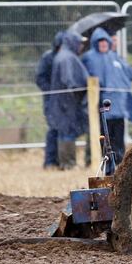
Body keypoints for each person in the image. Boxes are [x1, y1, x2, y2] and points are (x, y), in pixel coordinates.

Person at [82, 27, 132, 162]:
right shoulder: (90, 58)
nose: (103, 44)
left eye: (105, 41)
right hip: (101, 107)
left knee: (118, 137)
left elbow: (129, 75)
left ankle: (119, 162)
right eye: (100, 42)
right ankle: (104, 162)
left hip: (118, 107)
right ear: (95, 43)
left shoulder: (115, 57)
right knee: (103, 137)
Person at [50, 31, 89, 170]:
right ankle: (68, 164)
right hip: (66, 103)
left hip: (63, 102)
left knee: (65, 132)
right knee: (67, 132)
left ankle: (66, 163)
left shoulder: (64, 55)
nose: (81, 46)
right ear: (72, 42)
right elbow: (68, 81)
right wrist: (77, 90)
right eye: (79, 43)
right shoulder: (67, 58)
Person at [35, 31, 65, 169]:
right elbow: (40, 78)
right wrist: (52, 91)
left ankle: (59, 160)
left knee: (63, 129)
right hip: (51, 100)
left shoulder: (67, 58)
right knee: (53, 128)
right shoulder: (48, 58)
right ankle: (50, 161)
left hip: (64, 101)